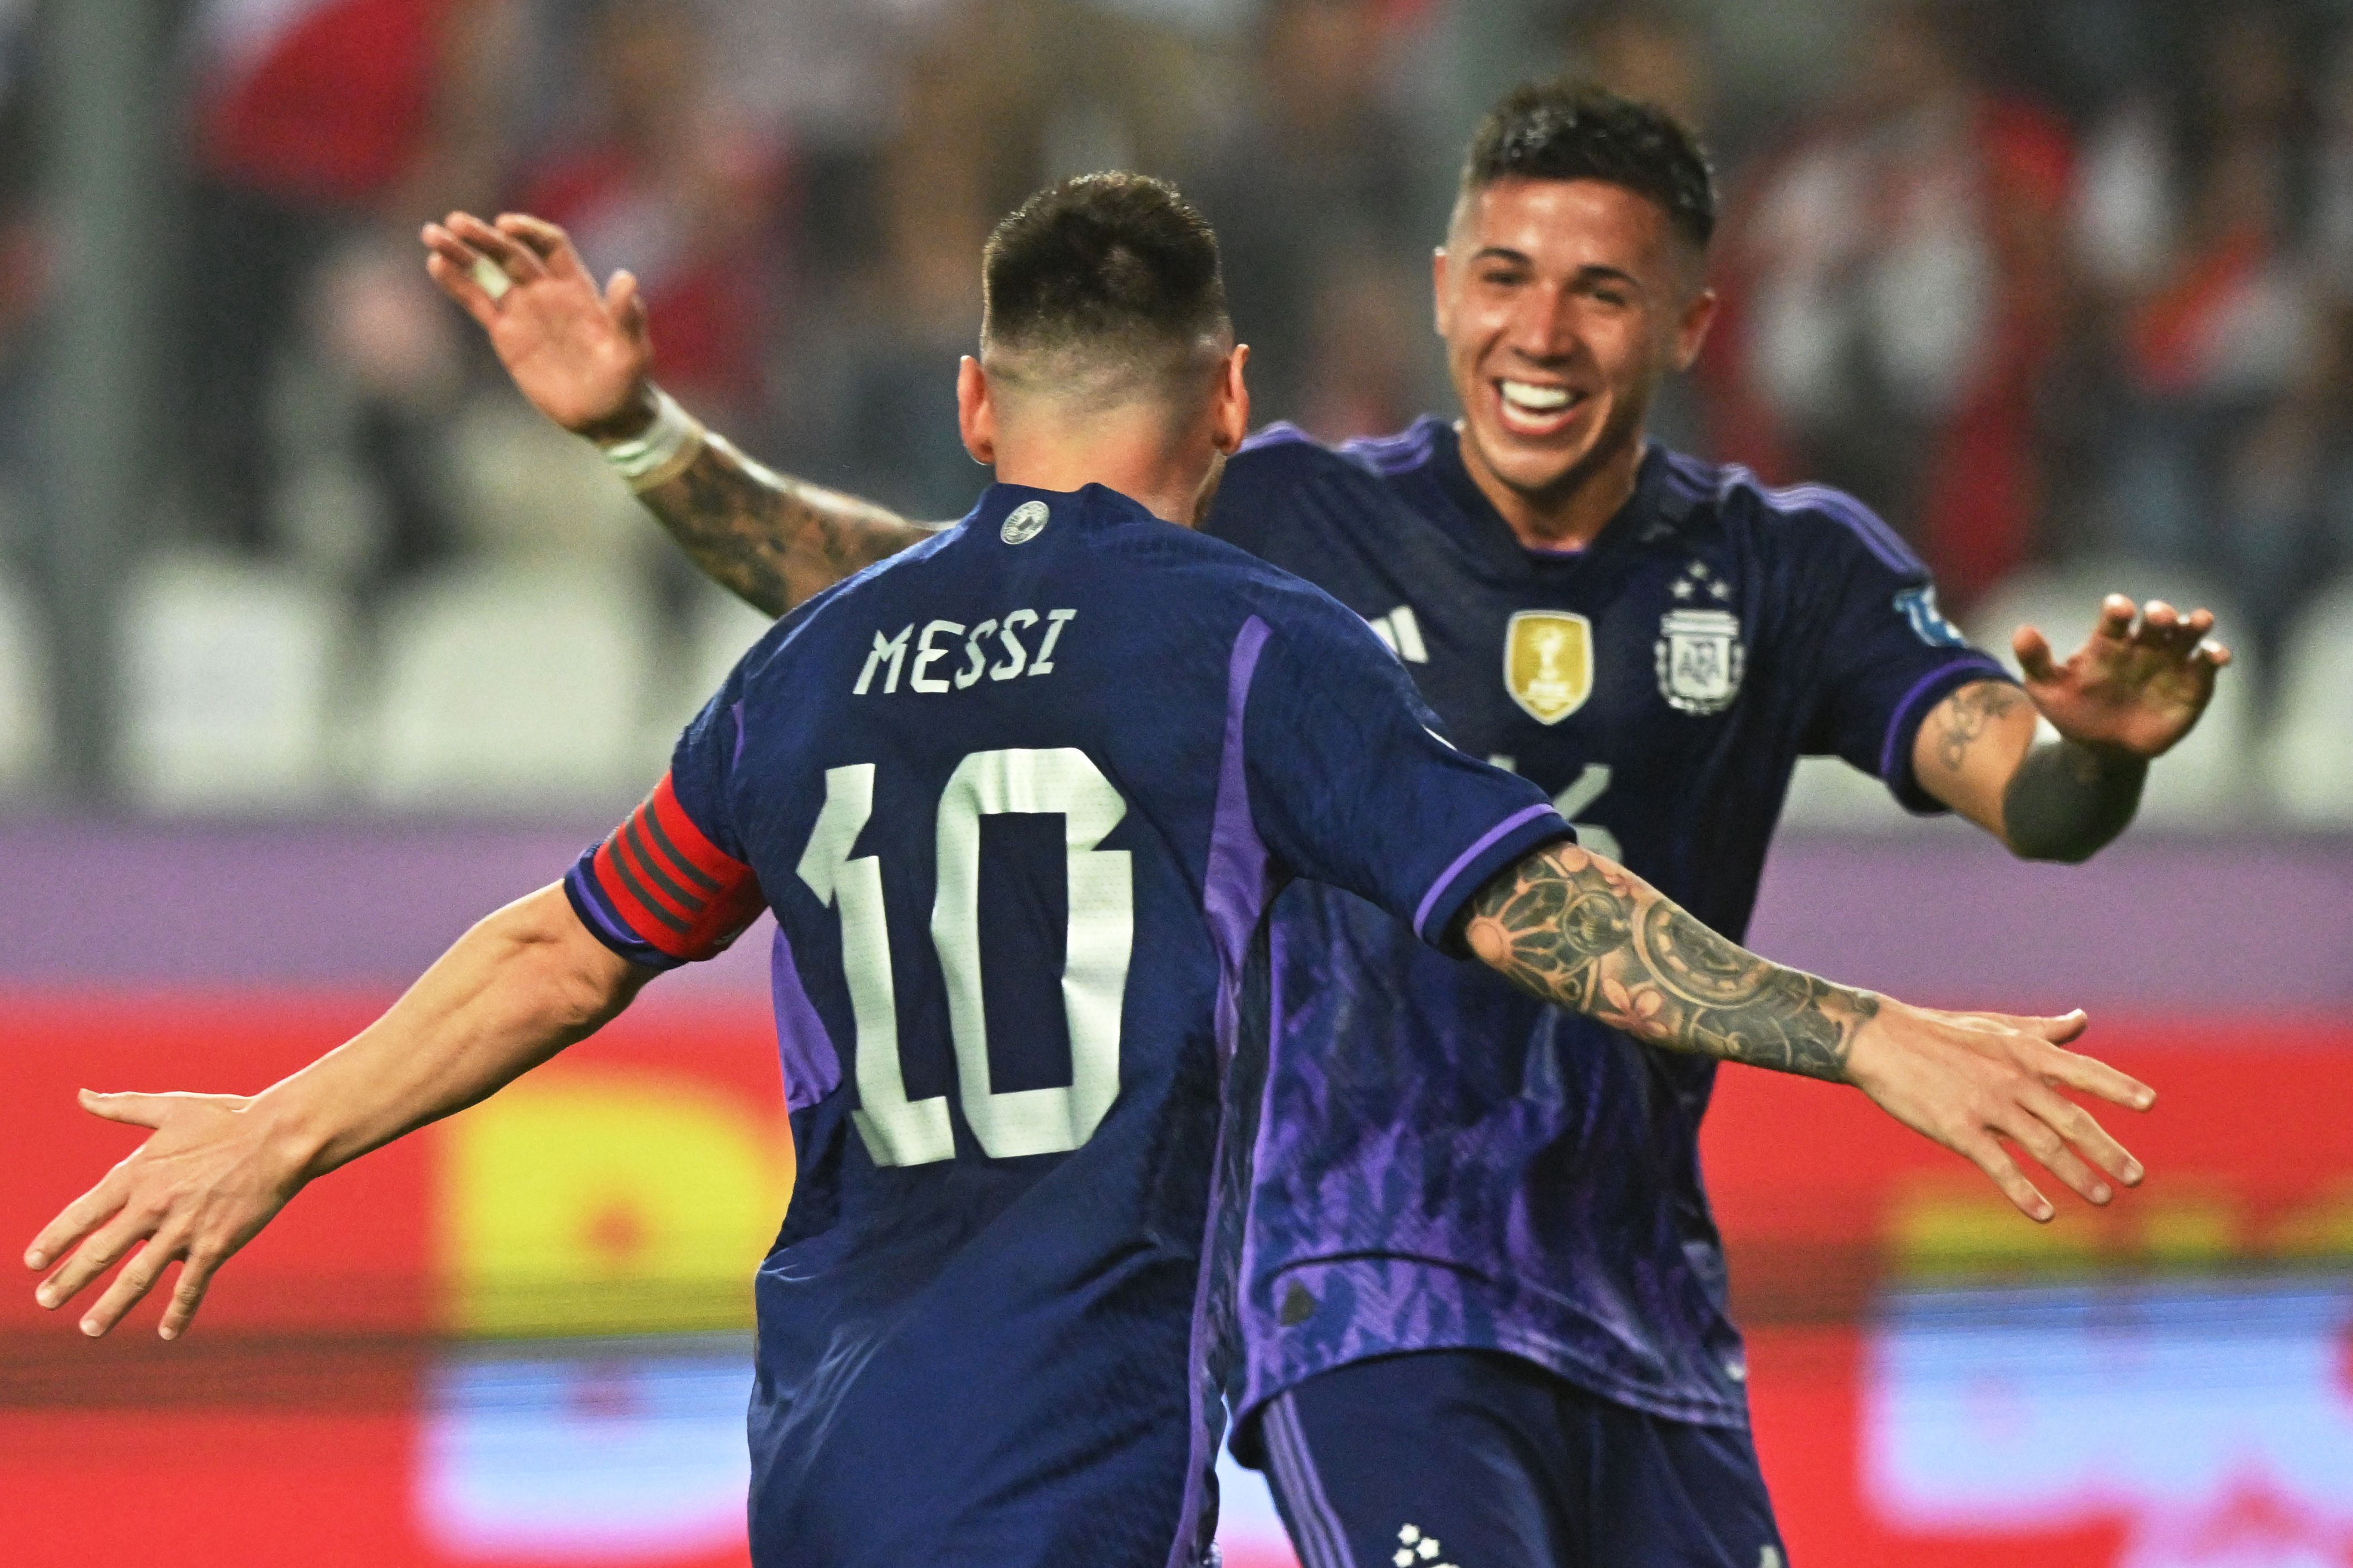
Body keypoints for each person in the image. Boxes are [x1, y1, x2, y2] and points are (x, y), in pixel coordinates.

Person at [415, 82, 2222, 1566]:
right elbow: (940, 609)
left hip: (1642, 1303)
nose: (1538, 330)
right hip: (1367, 1282)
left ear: (1687, 320)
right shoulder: (1276, 528)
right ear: (1441, 290)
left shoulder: (1784, 569)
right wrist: (649, 437)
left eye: (1599, 291)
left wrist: (2102, 752)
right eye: (1502, 275)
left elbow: (2030, 790)